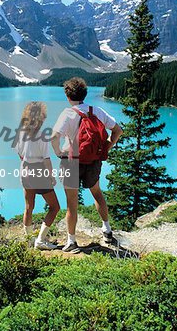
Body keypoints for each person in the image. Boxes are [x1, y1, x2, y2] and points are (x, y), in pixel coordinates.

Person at [51, 77, 123, 253]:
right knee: (97, 193)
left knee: (72, 203)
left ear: (68, 96)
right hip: (93, 161)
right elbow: (118, 130)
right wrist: (107, 145)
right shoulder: (96, 111)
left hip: (71, 162)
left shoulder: (67, 114)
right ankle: (106, 230)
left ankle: (72, 242)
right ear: (84, 94)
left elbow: (53, 137)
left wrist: (58, 152)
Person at [15, 101, 60, 250]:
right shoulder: (41, 135)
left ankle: (29, 241)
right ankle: (40, 240)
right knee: (54, 207)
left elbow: (20, 154)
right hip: (39, 172)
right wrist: (51, 177)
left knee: (29, 207)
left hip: (25, 171)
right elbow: (46, 160)